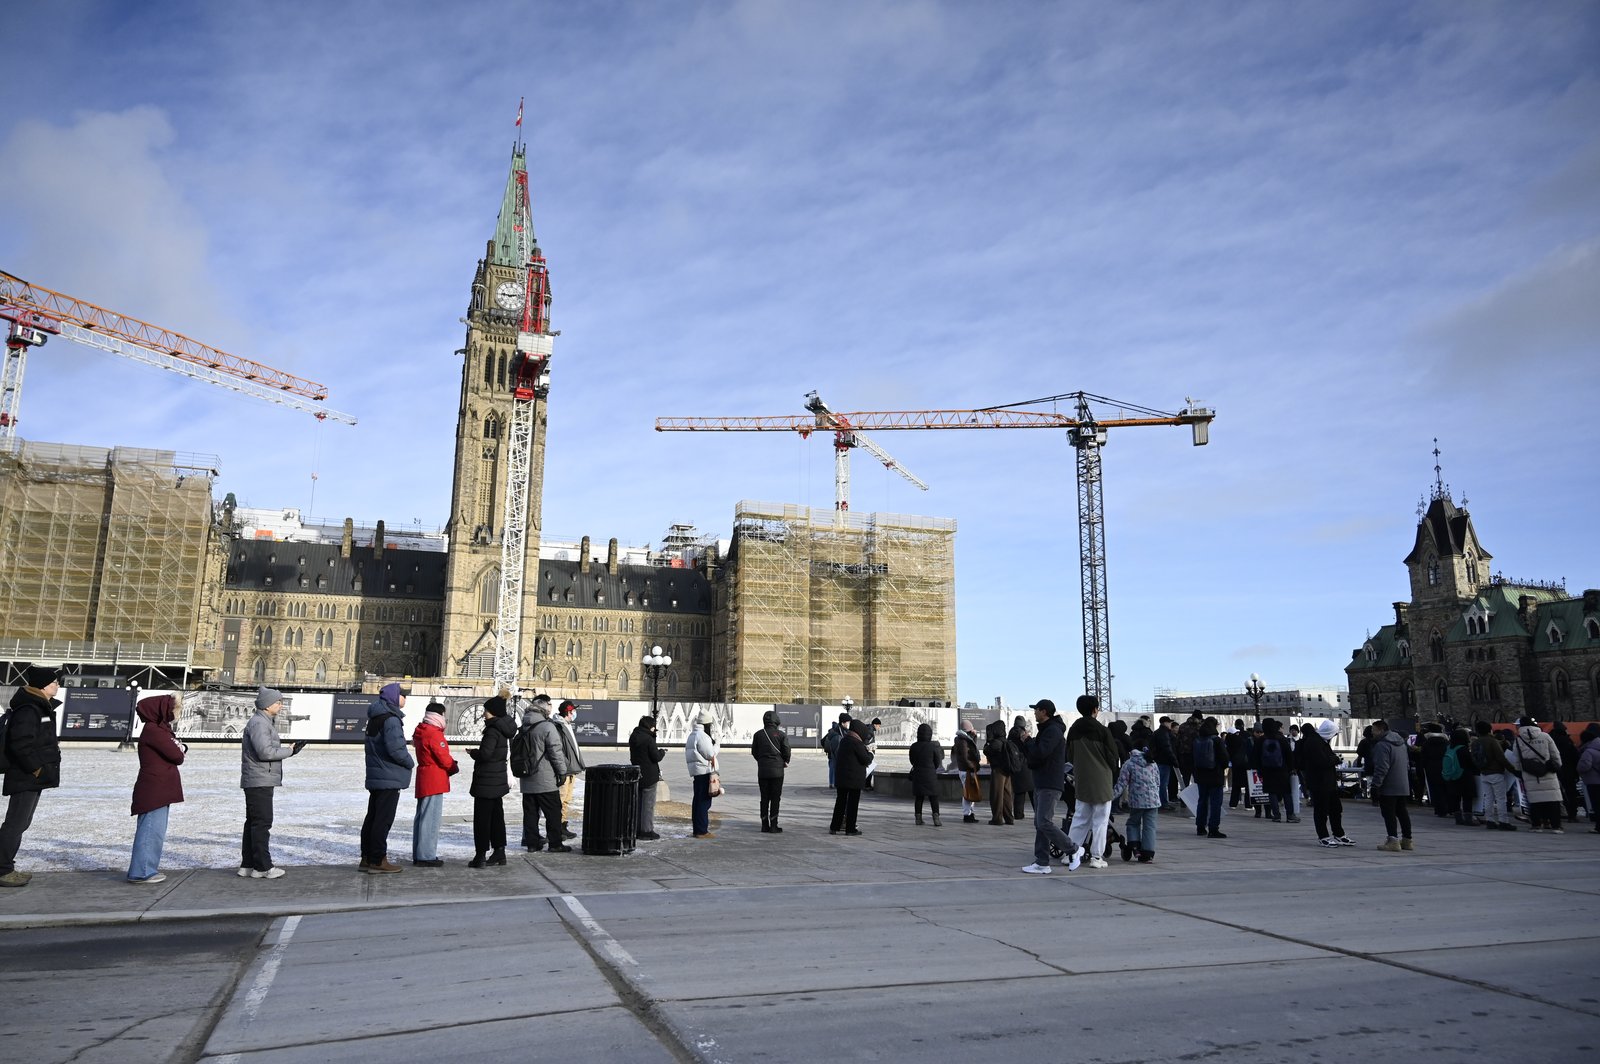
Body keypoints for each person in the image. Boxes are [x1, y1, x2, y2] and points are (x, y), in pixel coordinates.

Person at [1, 665, 64, 889]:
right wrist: (36, 768)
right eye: (54, 682)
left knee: (21, 823)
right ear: (42, 685)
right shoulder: (30, 709)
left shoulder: (40, 707)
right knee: (15, 823)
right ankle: (3, 870)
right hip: (25, 775)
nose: (57, 685)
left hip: (32, 776)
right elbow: (20, 744)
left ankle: (5, 867)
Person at [239, 686, 306, 880]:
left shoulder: (262, 721)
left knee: (253, 822)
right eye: (278, 702)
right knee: (262, 823)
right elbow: (265, 752)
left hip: (258, 778)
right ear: (267, 704)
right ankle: (262, 867)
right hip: (259, 779)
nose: (280, 705)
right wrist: (290, 751)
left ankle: (248, 865)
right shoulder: (260, 723)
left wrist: (287, 749)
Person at [127, 694, 186, 884]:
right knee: (151, 829)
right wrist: (181, 748)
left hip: (158, 786)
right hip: (155, 788)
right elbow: (177, 754)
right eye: (174, 708)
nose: (176, 712)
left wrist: (180, 748)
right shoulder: (155, 731)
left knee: (154, 829)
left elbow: (177, 750)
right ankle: (142, 871)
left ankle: (145, 868)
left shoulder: (158, 730)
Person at [360, 682, 414, 874]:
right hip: (388, 776)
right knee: (383, 820)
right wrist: (410, 762)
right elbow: (396, 749)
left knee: (373, 817)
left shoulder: (376, 716)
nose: (405, 699)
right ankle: (377, 860)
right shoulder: (391, 719)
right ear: (394, 697)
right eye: (403, 695)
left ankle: (366, 858)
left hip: (377, 775)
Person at [1020, 699, 1077, 874]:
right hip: (1042, 781)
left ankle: (1073, 849)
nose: (1034, 713)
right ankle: (1042, 862)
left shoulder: (1052, 731)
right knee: (1040, 823)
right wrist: (1027, 743)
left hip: (1050, 782)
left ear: (1044, 711)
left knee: (1044, 822)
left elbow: (1040, 753)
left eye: (1036, 710)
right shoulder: (1047, 730)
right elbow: (1035, 755)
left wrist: (1028, 741)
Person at [1064, 695, 1119, 869]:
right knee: (1100, 821)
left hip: (1082, 780)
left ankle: (1070, 854)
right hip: (1102, 780)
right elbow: (1113, 758)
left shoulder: (1073, 730)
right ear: (1095, 709)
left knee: (1079, 818)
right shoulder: (1103, 731)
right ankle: (1096, 857)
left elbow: (1070, 756)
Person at [467, 694, 515, 867]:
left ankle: (480, 856)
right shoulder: (503, 728)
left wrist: (474, 753)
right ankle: (499, 852)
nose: (484, 713)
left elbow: (486, 754)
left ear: (493, 712)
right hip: (497, 780)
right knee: (496, 817)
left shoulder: (493, 730)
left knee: (482, 819)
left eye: (486, 710)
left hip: (486, 781)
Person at [519, 697, 570, 853]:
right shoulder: (547, 727)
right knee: (553, 812)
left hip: (527, 779)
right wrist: (562, 772)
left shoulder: (524, 726)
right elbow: (556, 753)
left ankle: (532, 843)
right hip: (545, 779)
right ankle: (555, 843)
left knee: (530, 814)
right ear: (543, 709)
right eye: (549, 705)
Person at [411, 701, 457, 867]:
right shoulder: (434, 733)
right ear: (440, 715)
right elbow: (443, 757)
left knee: (422, 817)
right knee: (430, 819)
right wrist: (453, 766)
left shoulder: (422, 730)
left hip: (424, 776)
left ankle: (419, 853)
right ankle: (426, 855)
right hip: (434, 779)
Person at [1297, 722, 1351, 847]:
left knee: (1335, 809)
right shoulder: (1314, 742)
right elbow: (1322, 761)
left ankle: (1339, 834)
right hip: (1319, 782)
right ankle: (1323, 836)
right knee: (1321, 810)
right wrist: (1336, 759)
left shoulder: (1321, 741)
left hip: (1328, 781)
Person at [1368, 718, 1414, 852]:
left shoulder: (1382, 745)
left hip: (1389, 785)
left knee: (1389, 813)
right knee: (1402, 812)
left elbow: (1381, 767)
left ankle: (1393, 840)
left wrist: (1375, 785)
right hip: (1402, 783)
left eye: (1374, 730)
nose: (1372, 733)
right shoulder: (1401, 743)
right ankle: (1407, 840)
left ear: (1381, 730)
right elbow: (1406, 763)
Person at [1512, 716, 1564, 833]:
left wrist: (1520, 770)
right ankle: (1556, 825)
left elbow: (1517, 759)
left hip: (1530, 772)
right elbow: (1555, 753)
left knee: (1534, 799)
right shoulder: (1545, 736)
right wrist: (1557, 766)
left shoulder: (1518, 740)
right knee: (1553, 799)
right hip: (1547, 770)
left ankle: (1536, 824)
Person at [1113, 737, 1161, 863]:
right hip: (1153, 800)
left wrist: (1110, 797)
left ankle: (1135, 847)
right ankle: (1148, 854)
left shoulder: (1129, 763)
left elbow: (1121, 784)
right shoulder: (1153, 762)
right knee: (1149, 826)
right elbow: (1157, 782)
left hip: (1137, 800)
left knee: (1133, 823)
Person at [829, 719, 872, 836]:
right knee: (852, 804)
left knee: (840, 802)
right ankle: (850, 828)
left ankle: (834, 827)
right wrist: (871, 753)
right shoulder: (856, 743)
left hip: (842, 778)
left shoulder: (844, 741)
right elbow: (866, 759)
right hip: (854, 779)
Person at [751, 710, 791, 832]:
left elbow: (754, 752)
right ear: (776, 721)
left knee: (764, 798)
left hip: (762, 771)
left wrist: (762, 760)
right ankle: (774, 825)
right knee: (775, 798)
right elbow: (786, 751)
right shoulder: (781, 735)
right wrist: (785, 761)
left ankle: (764, 824)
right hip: (777, 771)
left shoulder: (758, 735)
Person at [1472, 719, 1515, 832]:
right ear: (1489, 730)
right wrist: (1513, 769)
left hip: (1484, 773)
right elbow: (1501, 757)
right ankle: (1503, 821)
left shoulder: (1475, 742)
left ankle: (1489, 820)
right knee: (1501, 798)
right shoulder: (1492, 741)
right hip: (1495, 772)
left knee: (1488, 798)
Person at [629, 714, 665, 841]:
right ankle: (647, 830)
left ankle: (637, 829)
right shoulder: (649, 739)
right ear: (650, 727)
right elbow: (655, 757)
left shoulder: (634, 736)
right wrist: (662, 752)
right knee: (648, 805)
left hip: (637, 773)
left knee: (638, 804)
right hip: (650, 775)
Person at [1253, 719, 1297, 823]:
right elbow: (1289, 755)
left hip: (1267, 770)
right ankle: (1290, 815)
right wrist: (1291, 768)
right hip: (1282, 769)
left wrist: (1259, 769)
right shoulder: (1281, 739)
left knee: (1272, 792)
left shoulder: (1261, 740)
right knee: (1286, 792)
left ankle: (1276, 815)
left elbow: (1256, 756)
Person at [554, 699, 586, 841]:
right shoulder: (559, 726)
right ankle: (557, 828)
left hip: (571, 769)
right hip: (565, 770)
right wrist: (566, 765)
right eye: (573, 711)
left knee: (566, 800)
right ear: (568, 711)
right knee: (560, 800)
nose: (575, 713)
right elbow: (558, 750)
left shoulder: (567, 725)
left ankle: (563, 825)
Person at [1191, 717, 1227, 839]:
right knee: (1215, 803)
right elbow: (1224, 758)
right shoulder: (1217, 740)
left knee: (1202, 801)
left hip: (1201, 775)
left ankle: (1200, 827)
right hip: (1215, 775)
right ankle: (1213, 828)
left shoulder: (1197, 740)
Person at [686, 707, 719, 838]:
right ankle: (701, 831)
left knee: (698, 801)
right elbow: (710, 754)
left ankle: (698, 829)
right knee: (704, 802)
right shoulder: (703, 736)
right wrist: (717, 745)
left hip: (697, 771)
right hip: (704, 771)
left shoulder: (693, 734)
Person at [908, 723, 943, 826]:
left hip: (918, 774)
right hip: (930, 775)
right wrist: (932, 768)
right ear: (930, 734)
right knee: (934, 797)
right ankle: (936, 818)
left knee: (919, 798)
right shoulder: (933, 746)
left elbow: (912, 760)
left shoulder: (913, 746)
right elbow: (937, 761)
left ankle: (918, 818)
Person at [1444, 726, 1478, 827]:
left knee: (1456, 797)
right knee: (1467, 797)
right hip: (1465, 775)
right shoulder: (1463, 749)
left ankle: (1458, 818)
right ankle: (1468, 819)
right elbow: (1470, 763)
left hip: (1452, 775)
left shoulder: (1449, 748)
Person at [982, 719, 1015, 825]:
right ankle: (1009, 818)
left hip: (998, 771)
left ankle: (997, 818)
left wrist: (989, 740)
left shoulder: (996, 743)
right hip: (1007, 771)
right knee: (1007, 795)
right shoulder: (1005, 741)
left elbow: (986, 750)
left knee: (997, 795)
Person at [953, 723, 982, 823]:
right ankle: (967, 814)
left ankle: (970, 813)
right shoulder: (962, 741)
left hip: (966, 770)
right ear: (968, 730)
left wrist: (974, 737)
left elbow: (972, 749)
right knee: (968, 792)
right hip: (966, 770)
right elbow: (966, 757)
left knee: (971, 791)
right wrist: (972, 766)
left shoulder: (964, 739)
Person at [1009, 714, 1036, 820]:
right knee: (1033, 792)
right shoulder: (1023, 734)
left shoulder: (1010, 735)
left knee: (1019, 793)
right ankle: (1038, 812)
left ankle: (1018, 814)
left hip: (1016, 766)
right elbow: (1030, 748)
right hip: (1026, 766)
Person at [1576, 723, 1600, 833]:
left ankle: (1598, 826)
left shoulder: (1588, 751)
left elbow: (1584, 766)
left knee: (1597, 804)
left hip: (1593, 781)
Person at [1150, 717, 1178, 809]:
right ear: (1165, 723)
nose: (1170, 724)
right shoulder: (1163, 733)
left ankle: (1161, 802)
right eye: (1169, 722)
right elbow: (1167, 748)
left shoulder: (1159, 732)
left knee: (1160, 783)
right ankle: (1163, 803)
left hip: (1159, 760)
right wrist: (1174, 760)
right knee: (1162, 783)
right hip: (1164, 761)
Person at [1226, 719, 1254, 809]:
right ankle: (1248, 805)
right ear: (1243, 725)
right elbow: (1250, 748)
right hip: (1246, 762)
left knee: (1236, 784)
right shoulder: (1247, 735)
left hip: (1235, 763)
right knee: (1248, 785)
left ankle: (1233, 803)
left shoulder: (1230, 738)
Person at [822, 711, 849, 789]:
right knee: (836, 767)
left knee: (832, 768)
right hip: (835, 753)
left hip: (830, 753)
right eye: (847, 722)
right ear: (843, 723)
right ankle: (835, 783)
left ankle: (831, 782)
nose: (847, 724)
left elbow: (822, 741)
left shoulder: (831, 731)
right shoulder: (839, 732)